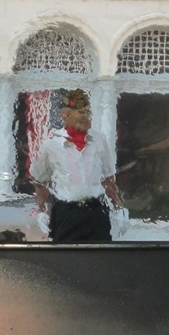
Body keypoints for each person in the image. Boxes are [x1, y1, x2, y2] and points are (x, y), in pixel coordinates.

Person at [30, 88, 124, 243]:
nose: (86, 116)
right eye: (81, 112)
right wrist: (41, 209)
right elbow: (39, 182)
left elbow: (109, 180)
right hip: (66, 213)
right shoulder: (51, 144)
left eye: (88, 112)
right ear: (65, 114)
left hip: (95, 211)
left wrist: (118, 206)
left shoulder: (99, 140)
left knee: (100, 253)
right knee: (65, 254)